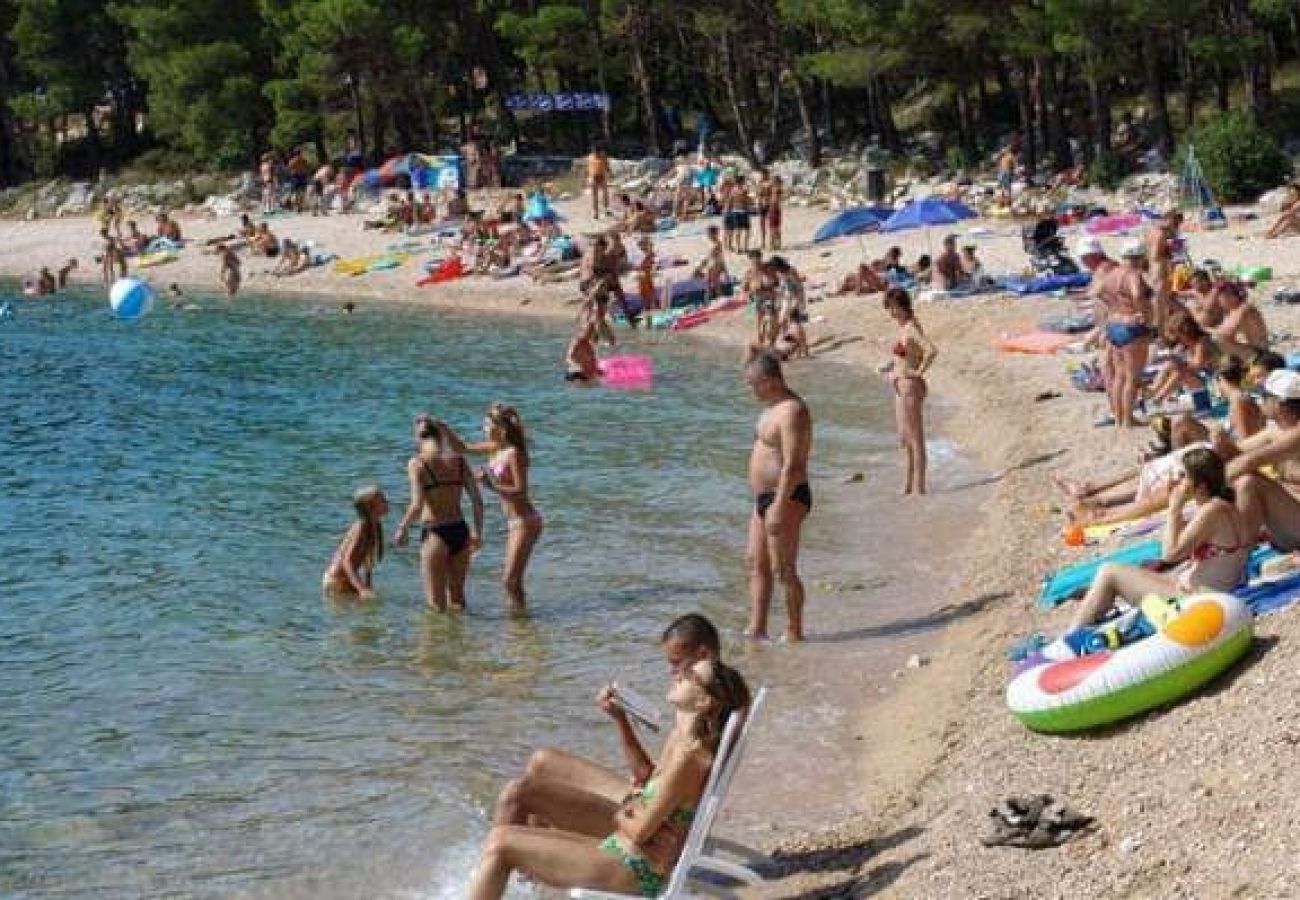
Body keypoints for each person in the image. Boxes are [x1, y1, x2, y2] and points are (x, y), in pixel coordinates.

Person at [469, 656, 750, 899]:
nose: (679, 673)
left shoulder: (688, 757)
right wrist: (637, 809)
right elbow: (648, 800)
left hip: (633, 869)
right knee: (505, 833)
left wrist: (632, 809)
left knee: (500, 844)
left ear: (703, 701)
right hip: (625, 850)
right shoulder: (685, 739)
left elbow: (641, 830)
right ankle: (507, 879)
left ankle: (501, 879)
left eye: (690, 674)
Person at [492, 614, 723, 830]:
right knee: (541, 761)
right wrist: (621, 718)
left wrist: (622, 721)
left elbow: (649, 781)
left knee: (522, 793)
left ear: (703, 654)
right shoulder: (715, 699)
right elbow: (651, 776)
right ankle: (532, 860)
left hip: (648, 818)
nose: (672, 673)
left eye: (676, 663)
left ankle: (511, 858)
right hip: (651, 798)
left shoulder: (699, 710)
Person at [1050, 449, 1249, 657]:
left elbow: (1170, 554)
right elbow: (1185, 540)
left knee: (1110, 572)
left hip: (1199, 600)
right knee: (1119, 576)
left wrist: (1174, 507)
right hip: (1204, 591)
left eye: (1183, 477)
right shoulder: (1223, 506)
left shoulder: (1211, 511)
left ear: (1200, 486)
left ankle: (1067, 643)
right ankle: (1082, 625)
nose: (1177, 482)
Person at [744, 347, 813, 641]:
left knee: (782, 569)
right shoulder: (770, 408)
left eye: (754, 384)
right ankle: (757, 629)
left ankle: (794, 630)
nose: (751, 390)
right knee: (755, 562)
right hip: (763, 498)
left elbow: (793, 465)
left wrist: (779, 506)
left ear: (770, 381)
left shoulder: (792, 412)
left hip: (786, 496)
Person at [394, 416, 485, 612]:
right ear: (440, 435)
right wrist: (478, 532)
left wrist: (403, 527)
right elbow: (477, 500)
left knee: (436, 606)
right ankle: (461, 640)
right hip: (461, 530)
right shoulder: (459, 461)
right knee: (458, 599)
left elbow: (417, 505)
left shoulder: (417, 463)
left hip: (436, 532)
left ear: (418, 438)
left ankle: (438, 642)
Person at [466, 404, 545, 615]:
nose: (483, 427)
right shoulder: (495, 448)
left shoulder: (513, 454)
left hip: (525, 520)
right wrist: (439, 429)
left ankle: (522, 623)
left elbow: (520, 490)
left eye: (487, 423)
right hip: (514, 522)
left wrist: (490, 485)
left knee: (509, 580)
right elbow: (463, 448)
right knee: (511, 581)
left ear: (499, 427)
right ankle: (520, 620)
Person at [1219, 370, 1300, 550]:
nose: (1259, 401)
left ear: (1279, 403)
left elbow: (1251, 461)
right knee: (1241, 479)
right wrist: (1220, 444)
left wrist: (1205, 485)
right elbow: (1238, 453)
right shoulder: (1275, 429)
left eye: (1264, 396)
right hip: (1289, 516)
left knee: (1249, 482)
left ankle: (1239, 551)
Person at [881, 287, 938, 495]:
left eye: (894, 308)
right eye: (889, 308)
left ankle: (919, 488)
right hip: (899, 385)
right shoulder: (903, 328)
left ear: (903, 306)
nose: (891, 312)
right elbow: (904, 356)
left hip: (910, 385)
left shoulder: (912, 328)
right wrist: (889, 367)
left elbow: (931, 350)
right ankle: (907, 485)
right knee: (904, 438)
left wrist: (918, 372)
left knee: (916, 438)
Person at [1097, 241, 1155, 427]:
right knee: (1132, 377)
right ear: (1139, 256)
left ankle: (1119, 419)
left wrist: (1114, 308)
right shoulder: (1133, 275)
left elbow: (1099, 292)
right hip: (1131, 327)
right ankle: (1128, 420)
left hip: (1114, 324)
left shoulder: (1112, 273)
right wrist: (1142, 314)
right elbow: (1137, 294)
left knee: (1119, 376)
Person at [322, 486, 389, 598]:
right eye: (382, 500)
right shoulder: (361, 527)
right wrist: (361, 589)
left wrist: (368, 585)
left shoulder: (376, 525)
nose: (387, 501)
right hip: (335, 580)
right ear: (369, 506)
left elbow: (368, 560)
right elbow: (346, 561)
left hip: (348, 579)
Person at [1211, 280, 1269, 361]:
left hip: (1259, 353)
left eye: (1219, 298)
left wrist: (1206, 331)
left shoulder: (1244, 309)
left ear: (1230, 297)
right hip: (1250, 350)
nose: (1218, 302)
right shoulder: (1233, 311)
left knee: (1216, 339)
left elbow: (1226, 333)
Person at [770, 256, 809, 359]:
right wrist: (778, 300)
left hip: (796, 298)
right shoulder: (779, 273)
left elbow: (799, 287)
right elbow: (782, 288)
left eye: (774, 267)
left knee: (797, 324)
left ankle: (804, 349)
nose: (773, 269)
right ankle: (787, 344)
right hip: (786, 299)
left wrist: (798, 302)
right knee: (782, 321)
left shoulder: (791, 270)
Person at [693, 225, 727, 299]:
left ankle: (718, 298)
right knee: (710, 283)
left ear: (714, 234)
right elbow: (711, 258)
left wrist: (700, 267)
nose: (707, 236)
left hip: (715, 266)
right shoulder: (715, 244)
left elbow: (710, 258)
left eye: (708, 234)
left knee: (714, 284)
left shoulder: (717, 244)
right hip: (713, 265)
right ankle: (714, 298)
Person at [588, 146, 611, 219]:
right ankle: (595, 212)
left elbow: (607, 166)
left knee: (605, 194)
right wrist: (588, 177)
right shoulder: (590, 157)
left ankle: (606, 209)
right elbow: (588, 168)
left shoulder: (603, 157)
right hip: (594, 177)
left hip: (602, 177)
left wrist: (609, 172)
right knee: (595, 196)